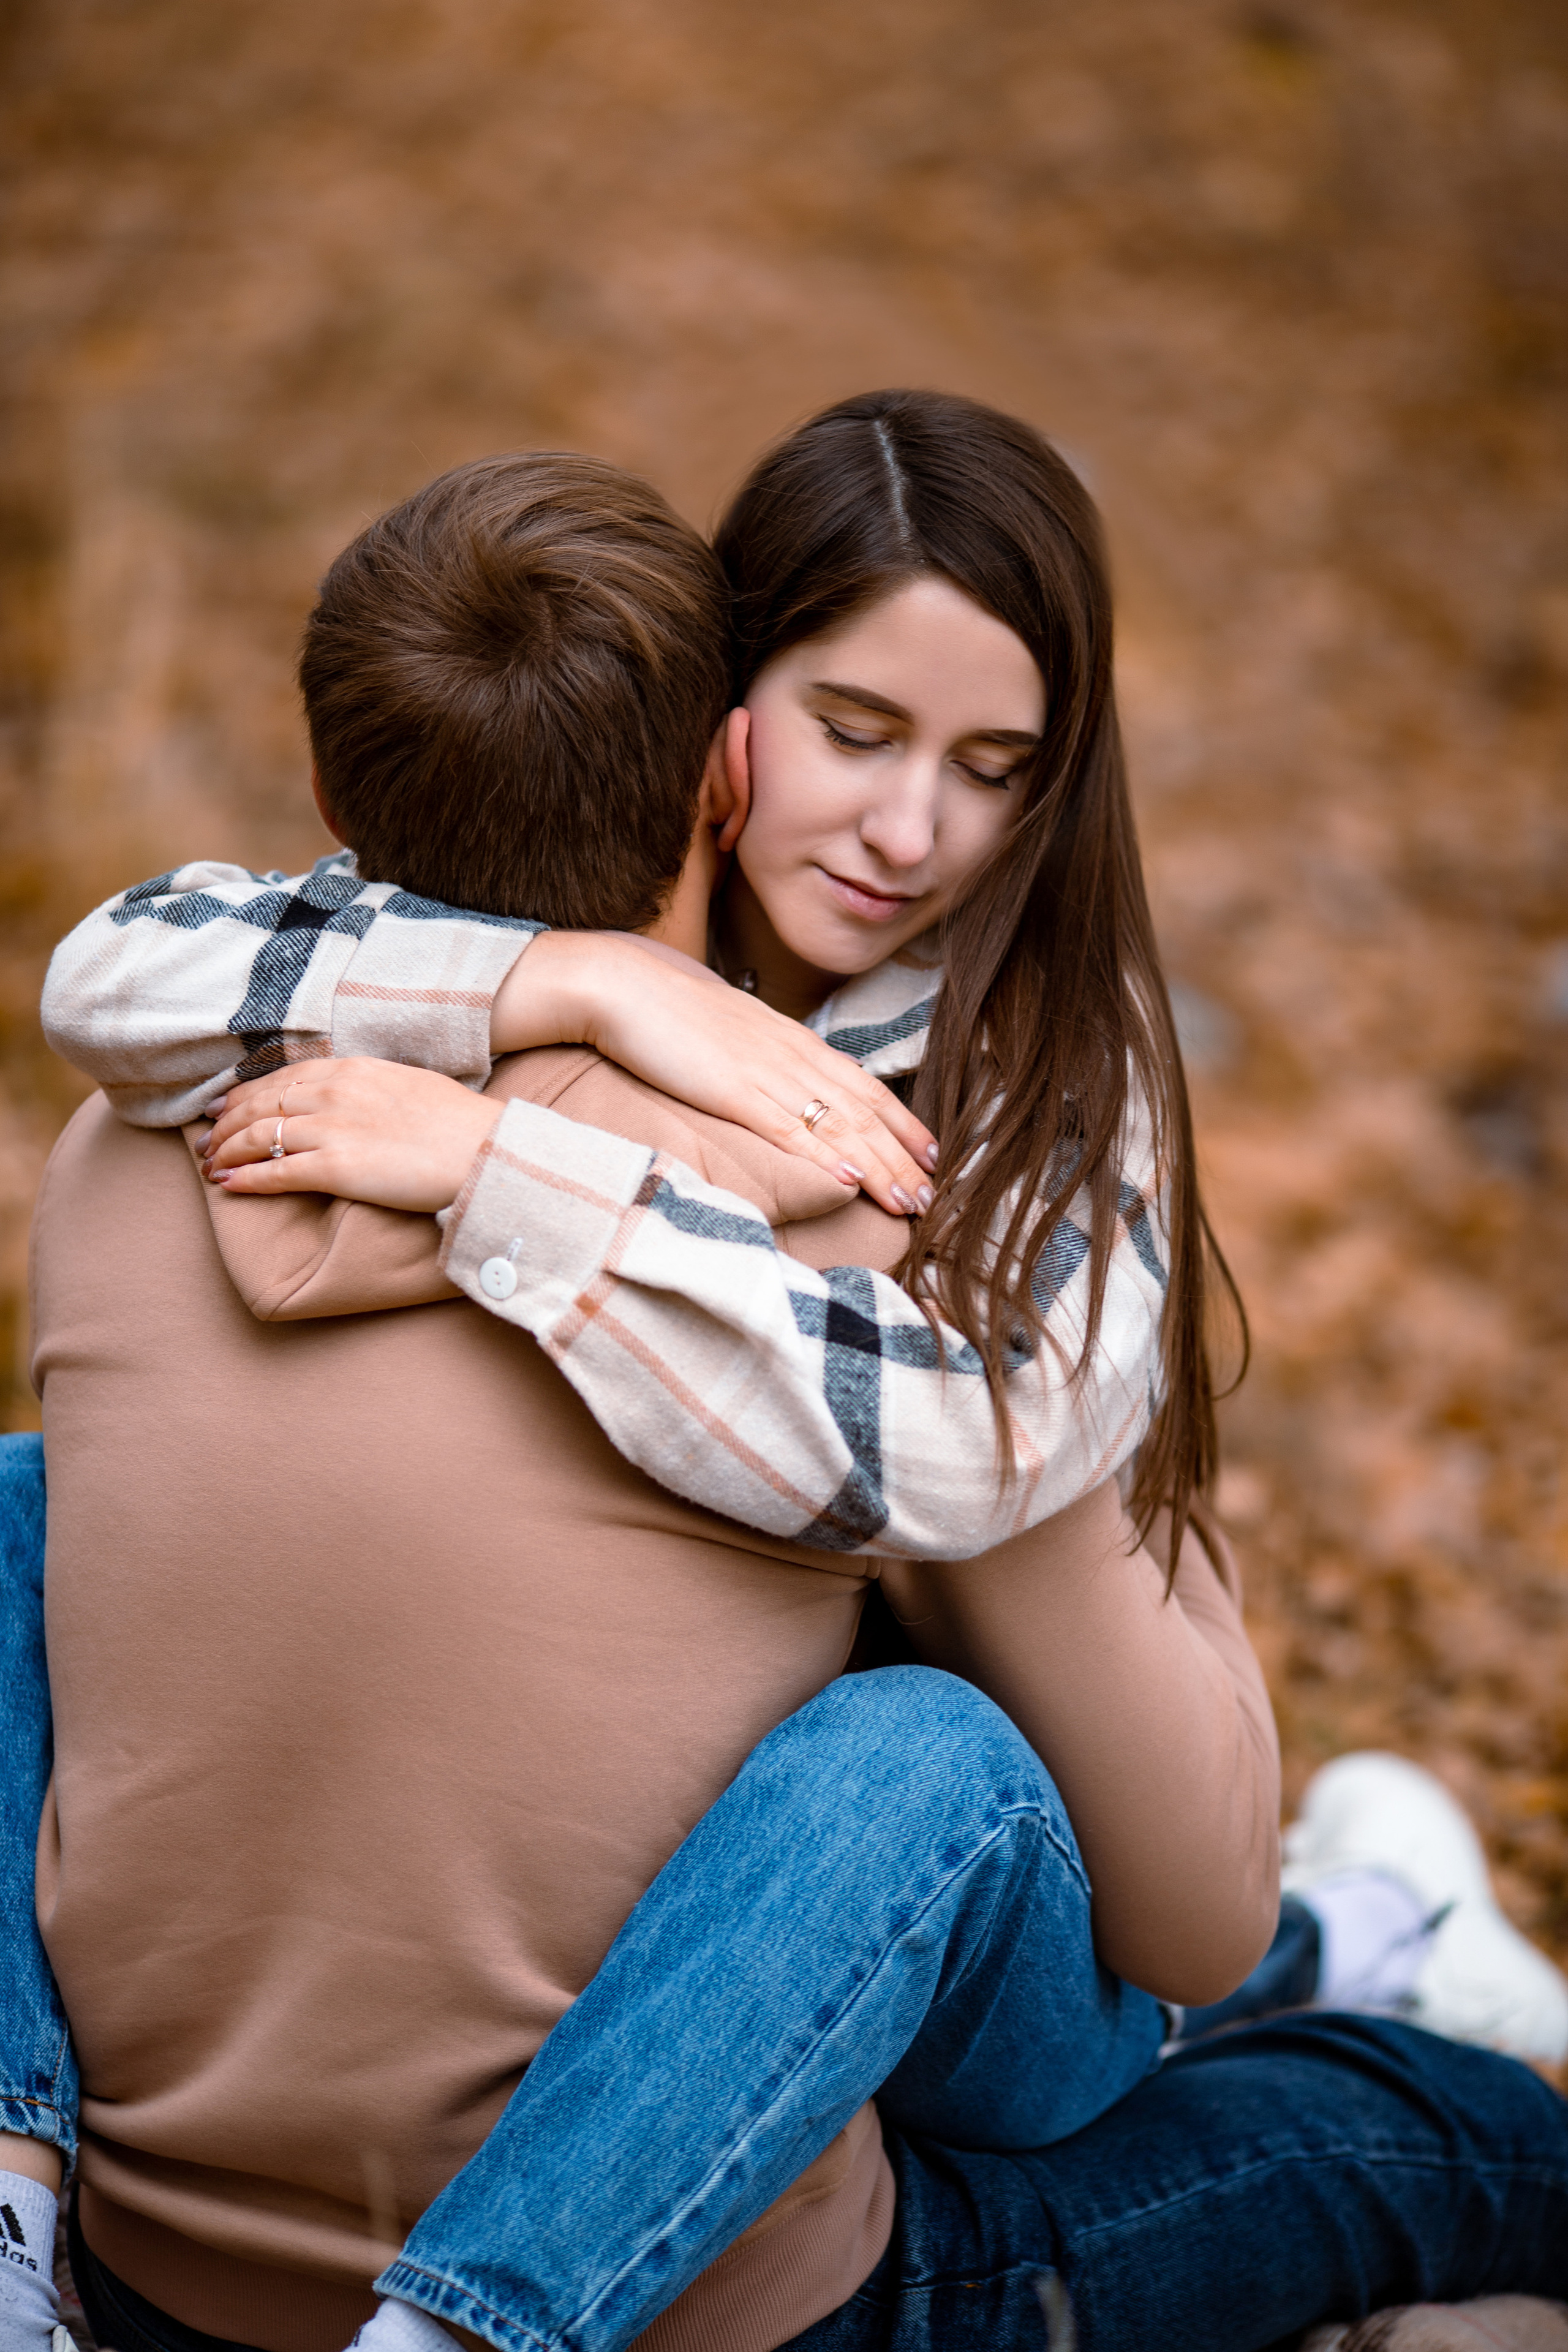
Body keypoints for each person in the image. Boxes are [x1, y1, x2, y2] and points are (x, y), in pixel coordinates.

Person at [8, 396, 1567, 2352]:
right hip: (741, 2019)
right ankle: (1377, 1953)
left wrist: (509, 1160)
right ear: (725, 742)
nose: (911, 833)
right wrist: (579, 990)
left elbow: (993, 1510)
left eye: (995, 769)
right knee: (963, 1816)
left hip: (1002, 1896)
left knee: (939, 1789)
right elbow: (129, 959)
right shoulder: (686, 1150)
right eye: (855, 732)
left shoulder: (971, 1175)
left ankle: (1367, 1936)